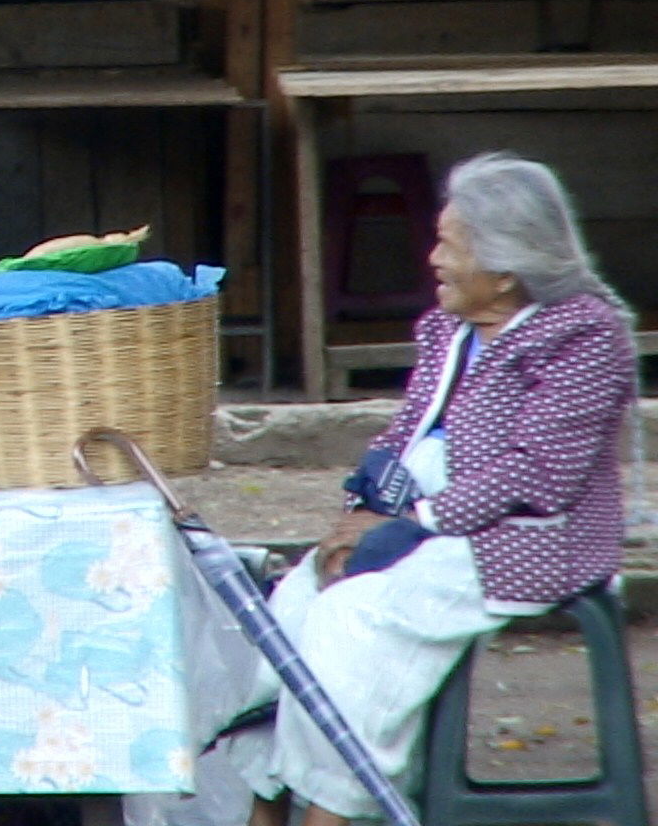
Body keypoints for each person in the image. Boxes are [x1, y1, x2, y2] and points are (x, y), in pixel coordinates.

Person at [230, 152, 637, 826]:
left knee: (350, 620)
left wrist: (411, 524)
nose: (433, 260)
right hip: (424, 522)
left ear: (505, 271)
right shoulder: (449, 330)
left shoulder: (585, 339)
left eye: (449, 245)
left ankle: (333, 811)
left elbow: (536, 476)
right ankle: (267, 803)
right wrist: (359, 514)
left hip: (526, 539)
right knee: (297, 603)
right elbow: (405, 432)